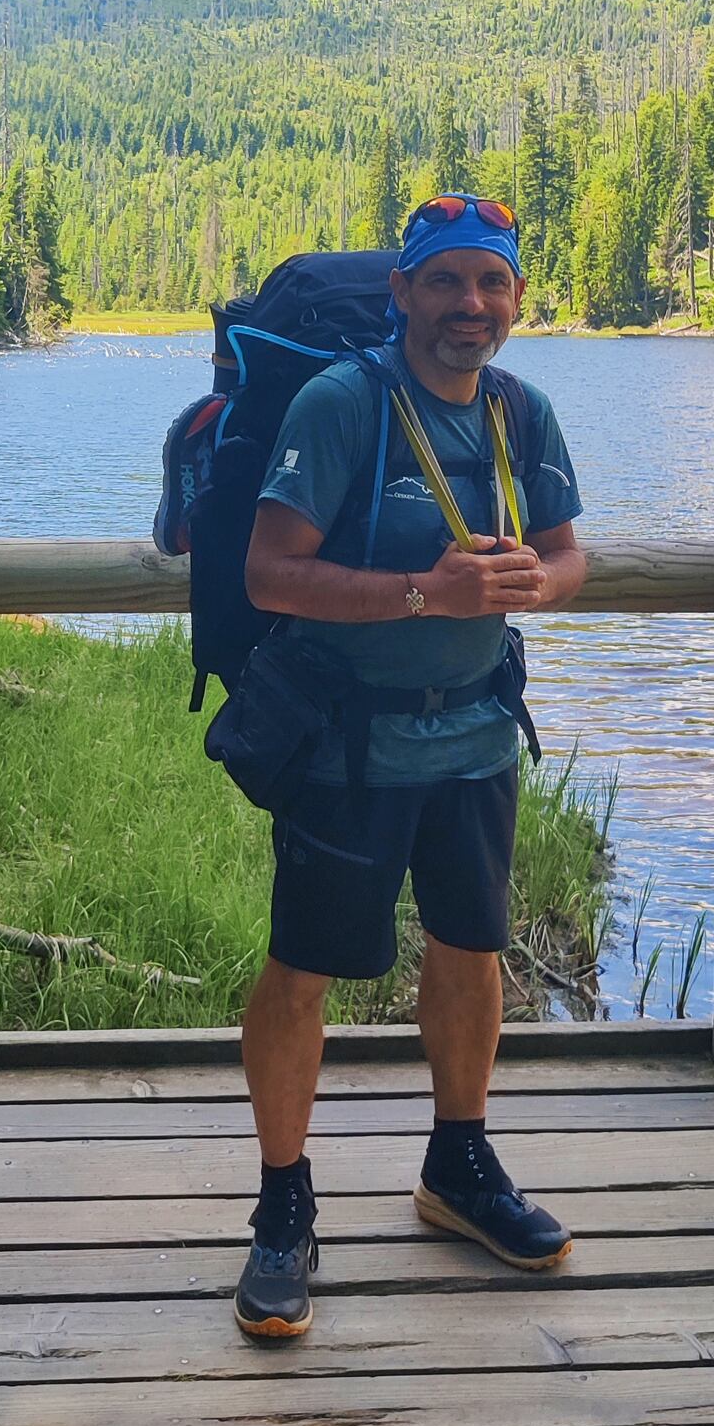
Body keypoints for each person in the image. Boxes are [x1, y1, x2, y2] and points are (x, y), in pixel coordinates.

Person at [231, 193, 587, 1338]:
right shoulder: (346, 404)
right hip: (349, 743)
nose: (468, 305)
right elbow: (271, 574)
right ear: (402, 294)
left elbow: (569, 554)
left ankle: (458, 1167)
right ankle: (283, 1207)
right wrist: (429, 593)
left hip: (477, 737)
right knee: (303, 970)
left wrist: (534, 582)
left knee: (473, 952)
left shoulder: (522, 412)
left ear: (516, 299)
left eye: (490, 283)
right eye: (444, 281)